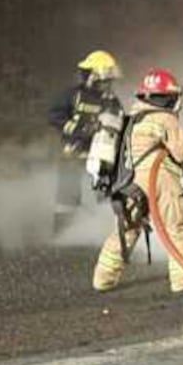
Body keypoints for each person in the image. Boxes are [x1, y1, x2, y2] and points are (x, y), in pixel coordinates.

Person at [92, 68, 183, 294]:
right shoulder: (165, 118)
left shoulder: (132, 119)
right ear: (168, 97)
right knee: (177, 228)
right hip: (161, 182)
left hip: (129, 185)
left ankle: (102, 279)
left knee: (126, 230)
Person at [47, 50, 123, 233]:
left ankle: (106, 232)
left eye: (109, 81)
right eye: (104, 80)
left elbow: (119, 122)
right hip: (73, 152)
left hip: (101, 154)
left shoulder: (112, 101)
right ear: (91, 77)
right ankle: (62, 234)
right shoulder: (72, 96)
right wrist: (81, 129)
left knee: (104, 191)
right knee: (67, 195)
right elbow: (54, 117)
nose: (107, 85)